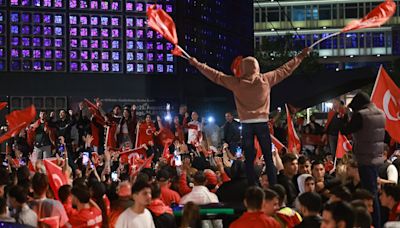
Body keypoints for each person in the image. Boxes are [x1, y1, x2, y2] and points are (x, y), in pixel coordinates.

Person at [189, 48, 311, 186]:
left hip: (246, 124)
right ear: (257, 67)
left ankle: (251, 185)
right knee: (269, 158)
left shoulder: (236, 83)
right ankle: (273, 184)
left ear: (242, 68)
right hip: (262, 124)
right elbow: (286, 69)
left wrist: (198, 64)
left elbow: (216, 76)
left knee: (249, 158)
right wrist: (300, 56)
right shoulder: (266, 79)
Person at [343, 91, 386, 228]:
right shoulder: (380, 113)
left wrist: (345, 115)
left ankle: (374, 223)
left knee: (369, 196)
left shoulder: (361, 115)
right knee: (373, 193)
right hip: (376, 158)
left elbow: (345, 130)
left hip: (365, 159)